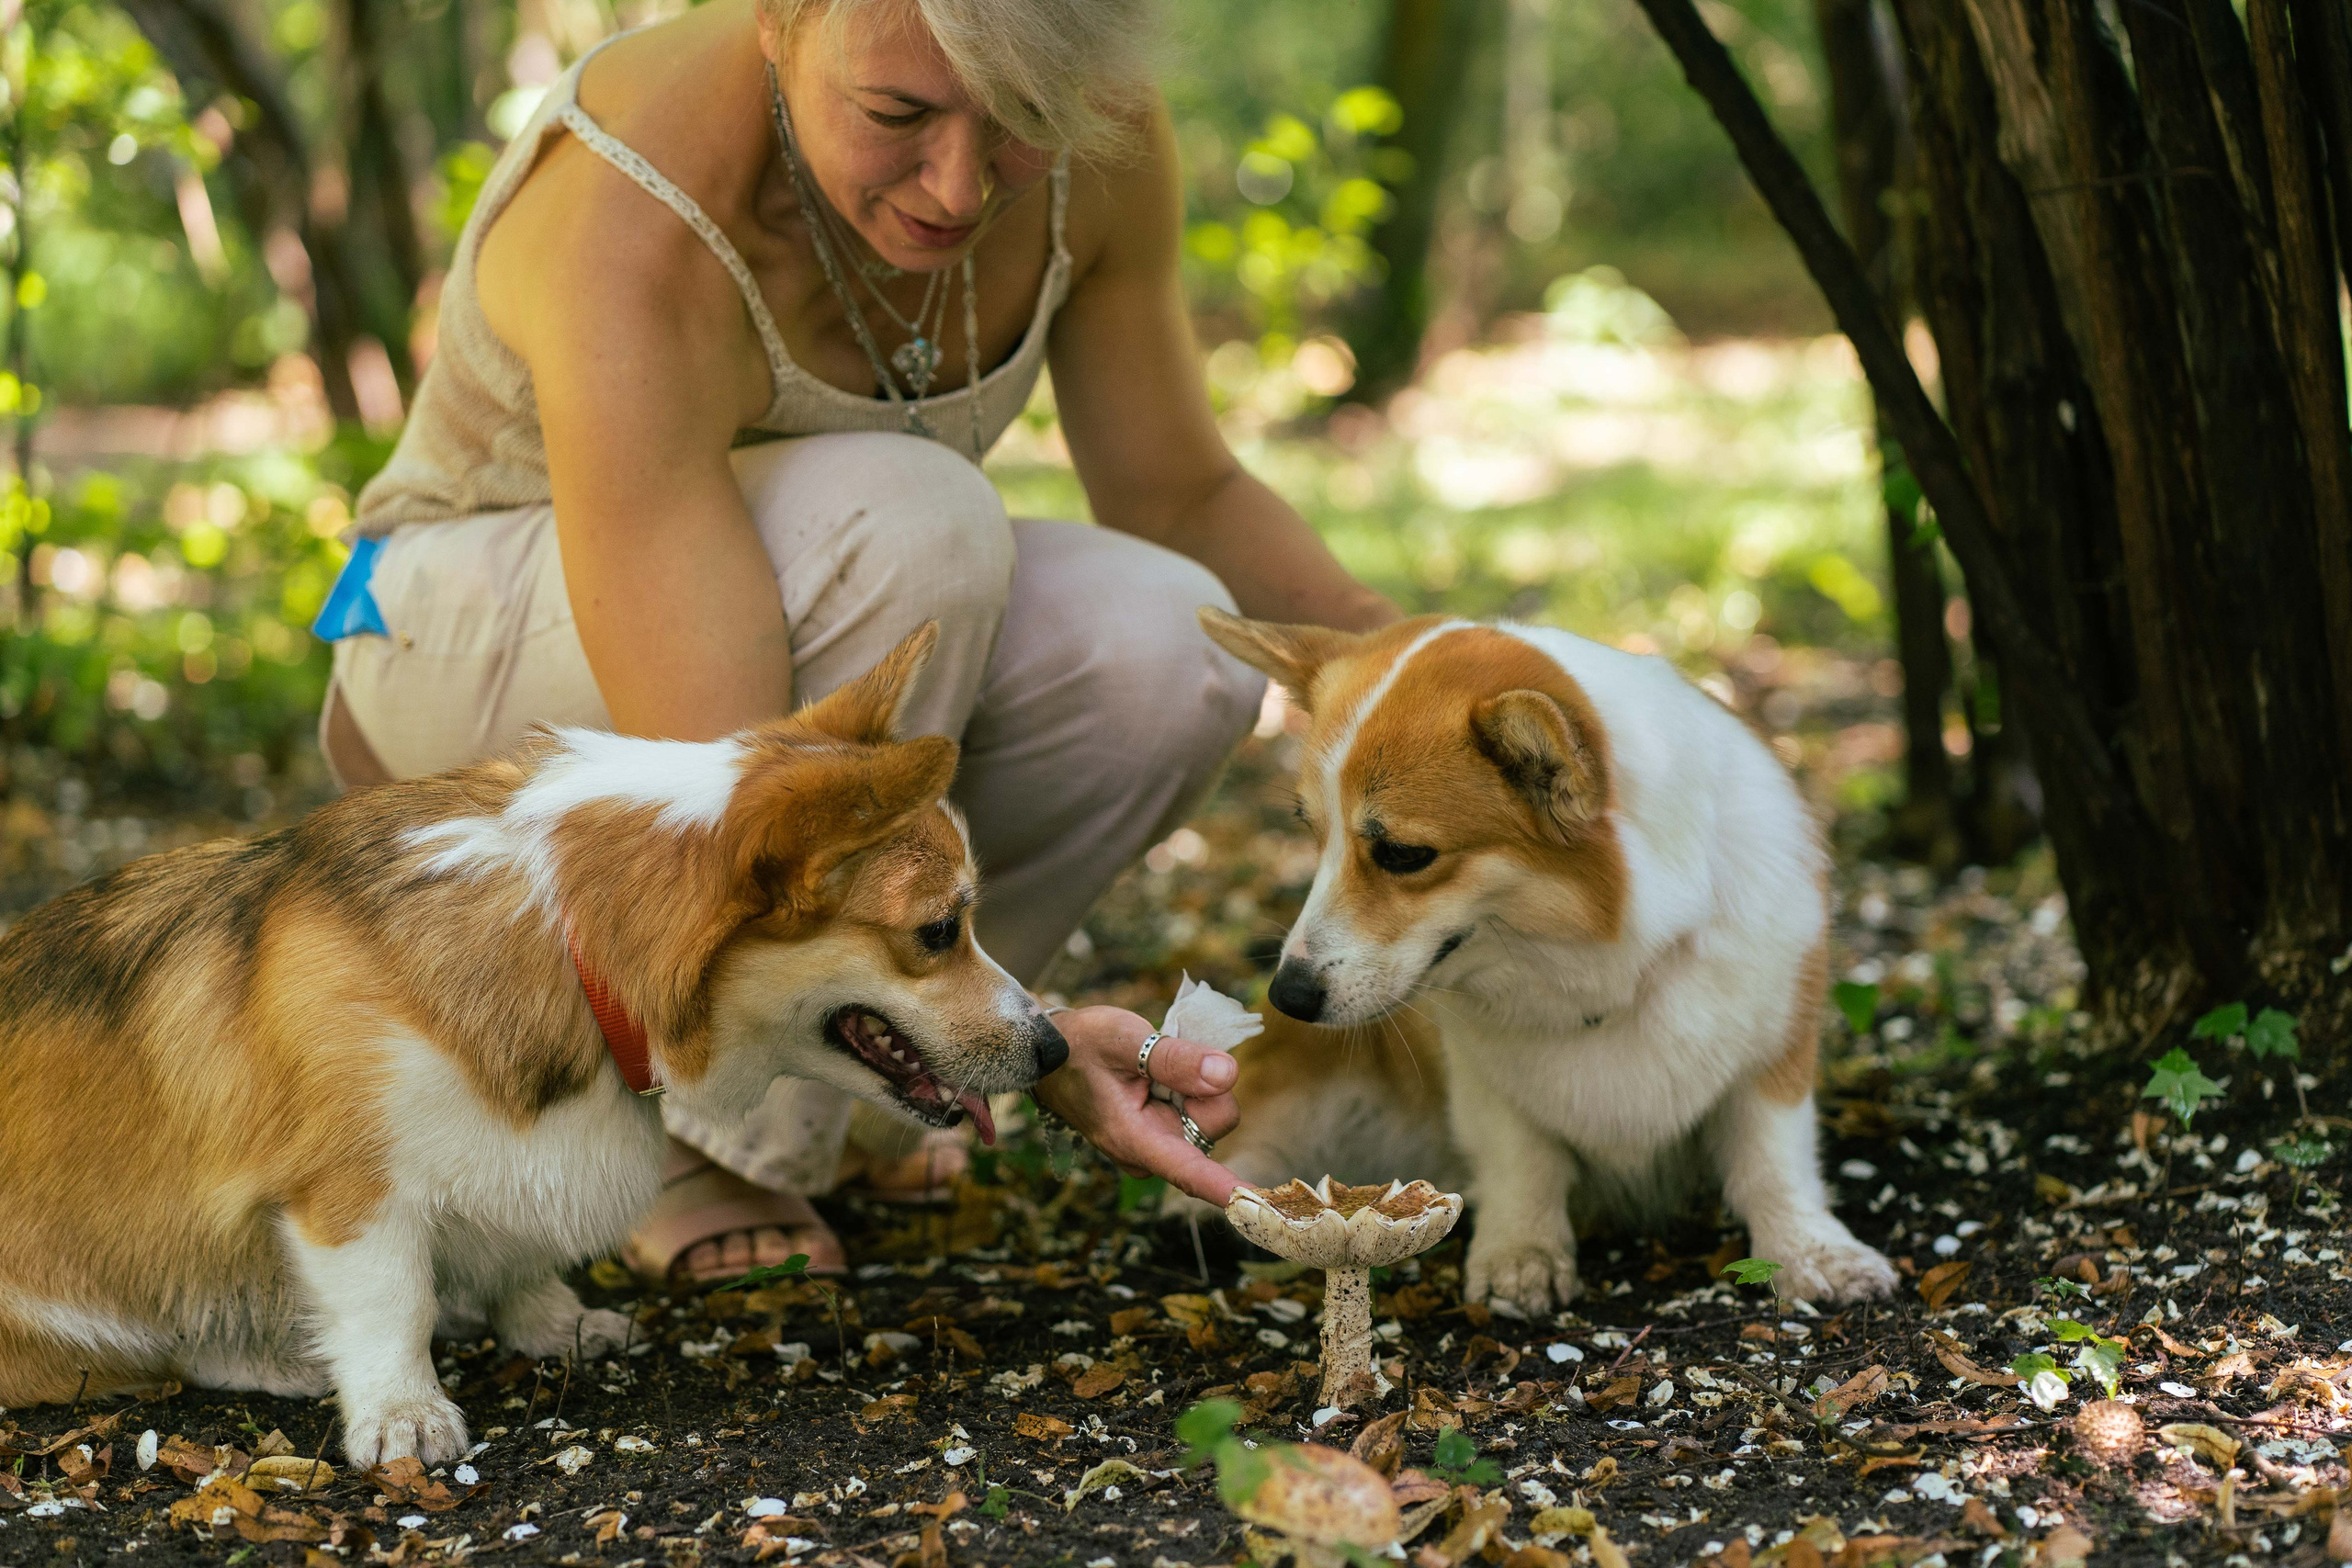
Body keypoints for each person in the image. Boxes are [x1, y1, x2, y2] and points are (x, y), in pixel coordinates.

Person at [312, 0, 1399, 1284]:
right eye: (899, 116)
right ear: (781, 19)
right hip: (460, 649)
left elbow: (1176, 496)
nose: (958, 183)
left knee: (1167, 638)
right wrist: (1038, 1046)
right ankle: (676, 1134)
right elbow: (725, 794)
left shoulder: (1092, 119)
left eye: (1021, 130)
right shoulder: (635, 203)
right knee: (922, 525)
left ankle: (872, 1075)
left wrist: (1431, 664)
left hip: (802, 623)